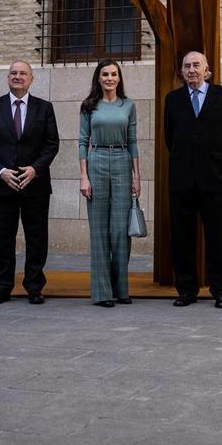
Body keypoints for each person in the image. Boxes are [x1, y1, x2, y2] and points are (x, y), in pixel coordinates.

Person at [0, 60, 59, 305]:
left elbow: (52, 143)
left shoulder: (44, 108)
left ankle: (34, 286)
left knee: (36, 238)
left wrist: (35, 169)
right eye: (13, 73)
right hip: (3, 186)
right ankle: (2, 287)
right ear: (7, 78)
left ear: (31, 79)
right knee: (3, 239)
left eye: (23, 73)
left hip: (35, 185)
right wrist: (0, 171)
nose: (18, 76)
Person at [164, 50, 222, 308]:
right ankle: (186, 289)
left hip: (214, 177)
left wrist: (213, 159)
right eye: (187, 66)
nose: (192, 70)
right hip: (182, 179)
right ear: (182, 71)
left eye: (196, 65)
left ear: (206, 70)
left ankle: (221, 290)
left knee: (219, 236)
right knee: (182, 236)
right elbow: (169, 138)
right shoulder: (172, 100)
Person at [78, 60, 141, 307]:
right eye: (105, 74)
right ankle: (103, 292)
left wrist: (137, 176)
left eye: (114, 74)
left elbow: (133, 141)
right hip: (97, 160)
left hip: (123, 161)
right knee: (99, 231)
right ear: (98, 78)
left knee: (120, 231)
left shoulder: (129, 105)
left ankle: (121, 288)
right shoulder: (89, 106)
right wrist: (84, 176)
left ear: (119, 78)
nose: (109, 78)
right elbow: (82, 141)